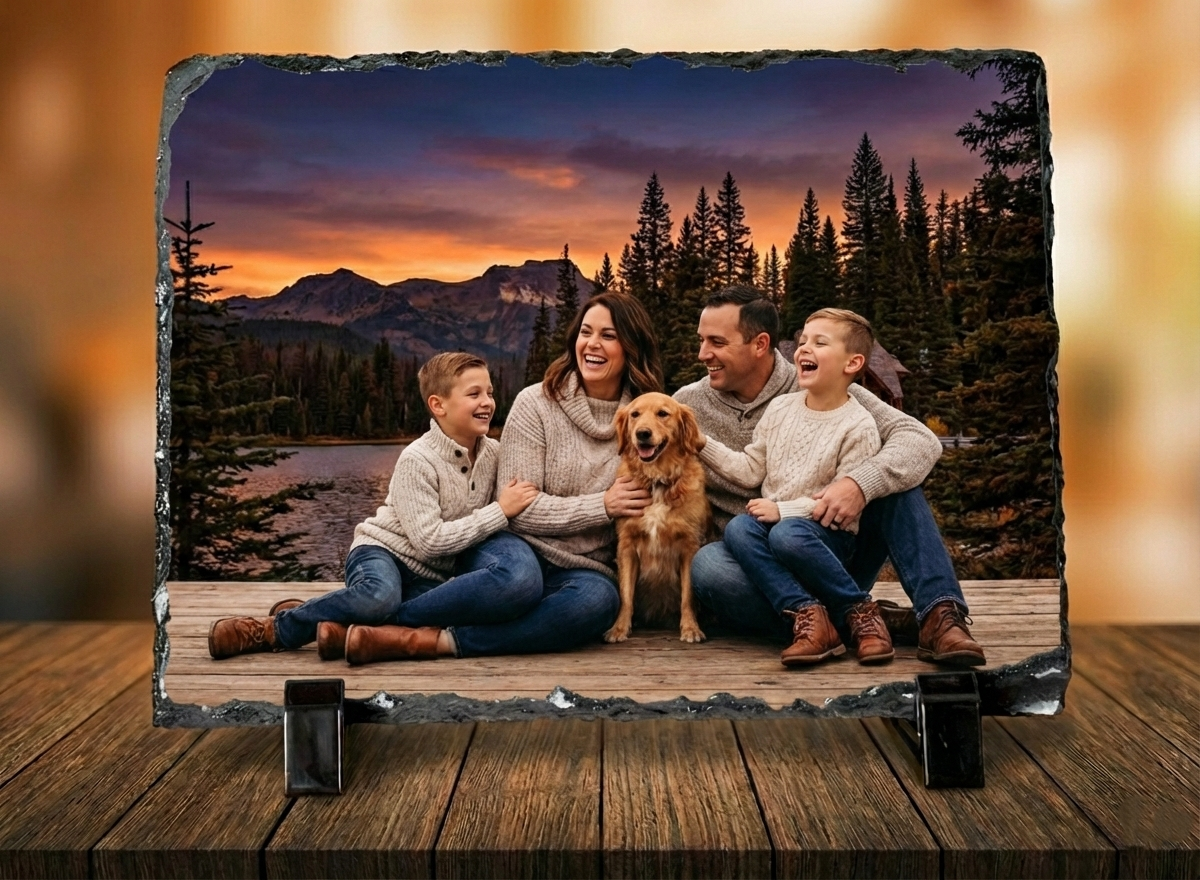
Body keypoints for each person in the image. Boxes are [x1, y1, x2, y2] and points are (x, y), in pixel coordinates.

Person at [675, 286, 985, 666]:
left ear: (760, 344)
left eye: (717, 342)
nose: (703, 354)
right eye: (702, 340)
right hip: (759, 565)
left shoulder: (826, 385)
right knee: (708, 568)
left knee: (897, 485)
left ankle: (939, 616)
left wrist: (858, 484)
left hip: (830, 547)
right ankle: (854, 617)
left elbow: (919, 440)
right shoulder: (685, 406)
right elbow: (649, 459)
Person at [207, 351, 543, 663]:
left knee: (460, 604)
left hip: (432, 573)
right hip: (383, 552)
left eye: (490, 392)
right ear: (438, 405)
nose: (487, 402)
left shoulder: (494, 453)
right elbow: (430, 541)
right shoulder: (418, 460)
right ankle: (274, 629)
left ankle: (336, 620)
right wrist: (500, 511)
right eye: (474, 394)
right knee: (379, 597)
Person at [699, 309, 891, 665]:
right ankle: (808, 614)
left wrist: (782, 510)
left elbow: (843, 504)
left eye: (819, 342)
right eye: (802, 341)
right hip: (776, 530)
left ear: (852, 363)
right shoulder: (780, 409)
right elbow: (750, 470)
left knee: (788, 534)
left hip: (828, 537)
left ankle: (859, 610)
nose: (803, 349)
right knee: (739, 528)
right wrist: (701, 444)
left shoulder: (859, 426)